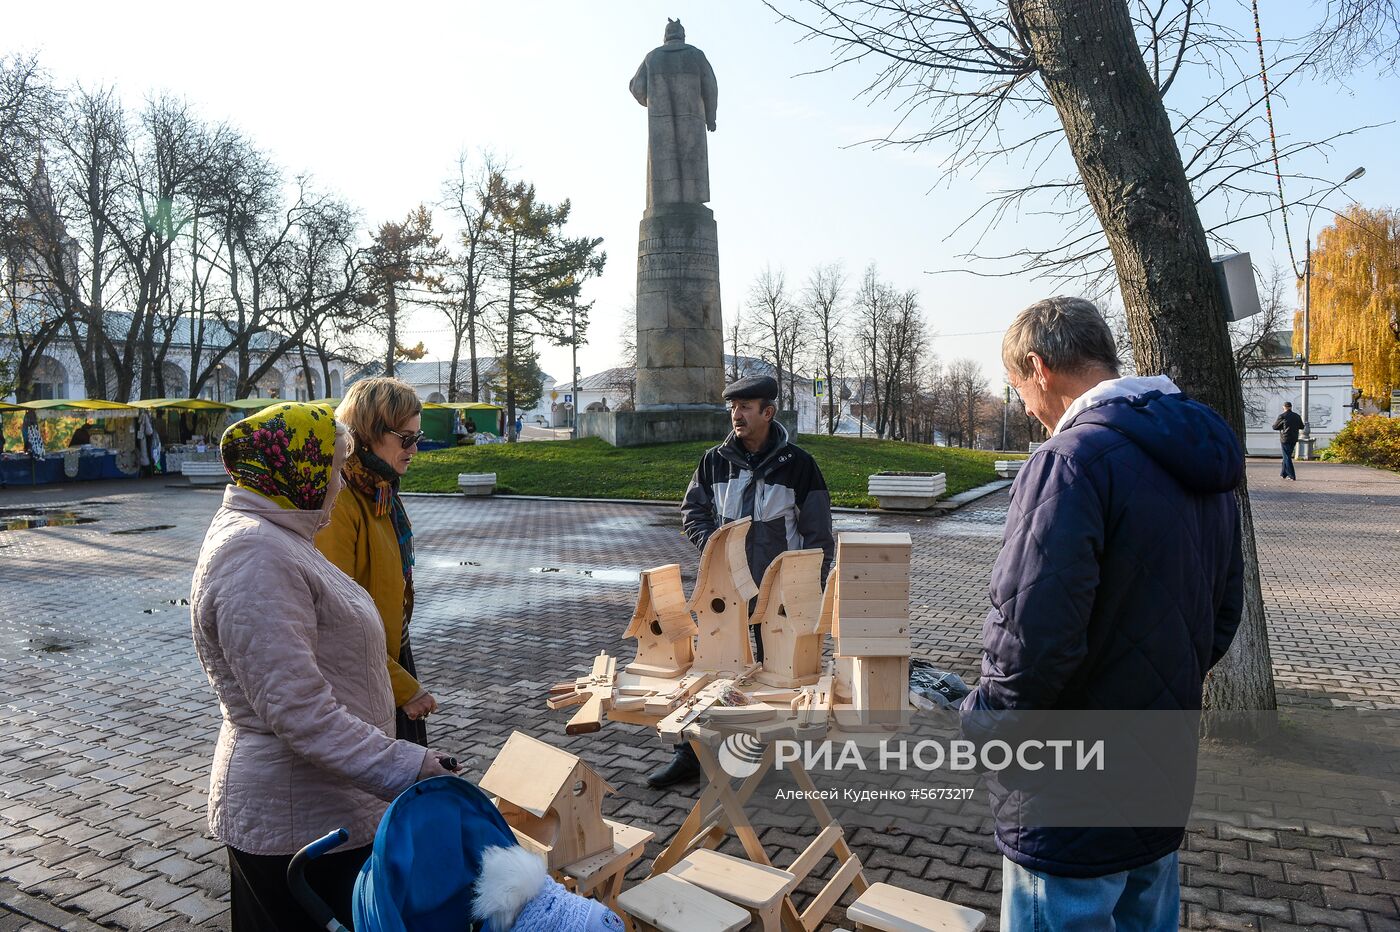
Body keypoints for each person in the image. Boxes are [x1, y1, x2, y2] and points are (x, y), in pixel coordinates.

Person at [961, 297, 1243, 930]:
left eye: (1018, 391)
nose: (1028, 412)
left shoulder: (1069, 461)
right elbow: (1223, 614)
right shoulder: (1198, 453)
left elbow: (1031, 640)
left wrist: (985, 723)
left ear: (1039, 367)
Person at [191, 402, 455, 931]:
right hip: (297, 822)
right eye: (333, 467)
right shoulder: (255, 556)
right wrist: (405, 767)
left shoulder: (280, 535)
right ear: (299, 468)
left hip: (322, 810)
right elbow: (298, 711)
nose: (340, 482)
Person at [648, 375, 835, 788]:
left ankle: (772, 756)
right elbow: (693, 511)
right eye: (733, 407)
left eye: (746, 407)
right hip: (725, 592)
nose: (737, 414)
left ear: (768, 413)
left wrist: (810, 590)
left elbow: (819, 534)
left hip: (779, 596)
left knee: (779, 675)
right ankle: (691, 757)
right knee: (712, 670)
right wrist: (712, 548)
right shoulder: (713, 461)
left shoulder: (800, 465)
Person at [317, 378, 435, 745]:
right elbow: (336, 619)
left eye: (417, 438)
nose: (414, 449)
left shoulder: (380, 490)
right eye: (406, 438)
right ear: (368, 433)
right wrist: (402, 686)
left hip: (389, 654)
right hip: (364, 672)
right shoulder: (341, 501)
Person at [1273, 401, 1304, 481]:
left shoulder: (1282, 416)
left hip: (1285, 438)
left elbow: (1274, 427)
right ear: (1291, 407)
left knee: (1287, 457)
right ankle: (1283, 473)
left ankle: (1292, 475)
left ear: (1284, 407)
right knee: (1286, 456)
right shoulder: (1297, 416)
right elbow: (1301, 426)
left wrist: (1282, 424)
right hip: (1293, 438)